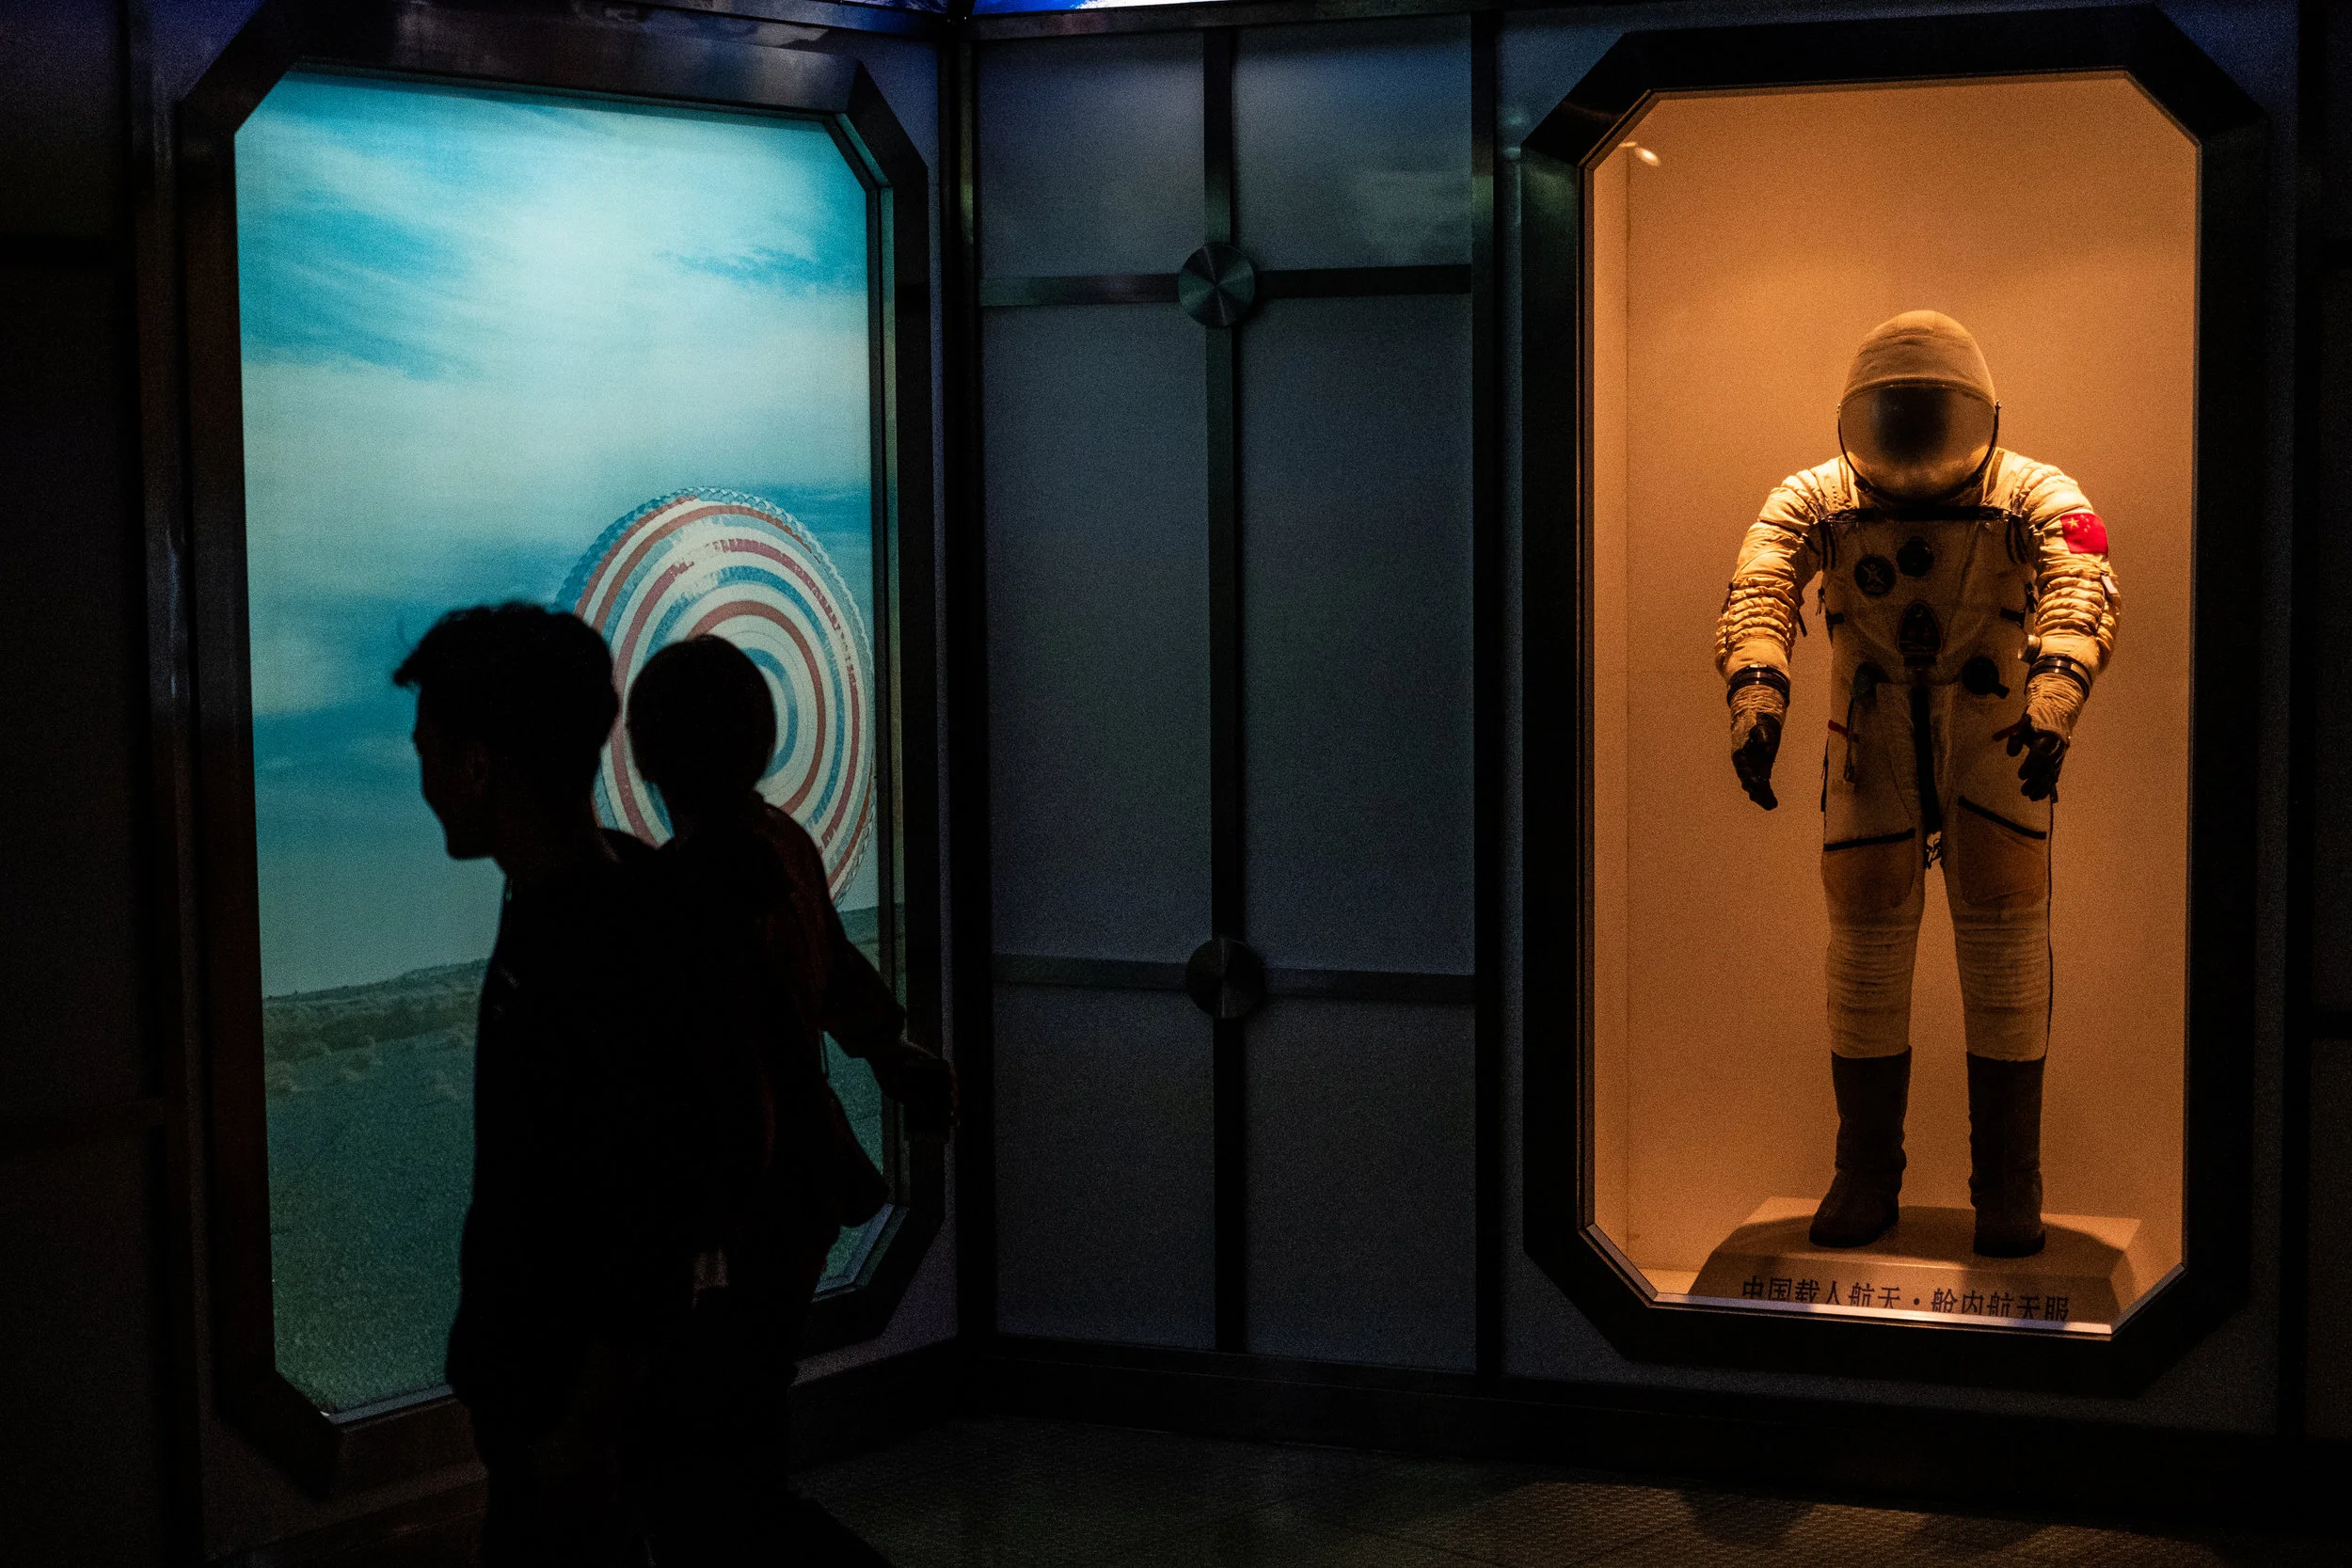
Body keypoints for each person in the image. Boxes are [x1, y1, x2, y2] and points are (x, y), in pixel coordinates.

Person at [1715, 311, 2120, 1259]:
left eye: (1925, 418)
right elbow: (1762, 578)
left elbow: (2080, 568)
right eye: (1890, 421)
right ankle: (1864, 1172)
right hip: (1870, 736)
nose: (1907, 442)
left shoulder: (2029, 489)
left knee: (2005, 933)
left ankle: (2008, 1187)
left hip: (1997, 733)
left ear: (1980, 417)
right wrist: (1757, 684)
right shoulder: (1817, 493)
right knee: (1864, 937)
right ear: (1855, 421)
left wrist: (2057, 685)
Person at [396, 604, 755, 1566]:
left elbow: (649, 1215)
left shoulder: (580, 946)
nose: (423, 779)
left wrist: (584, 1427)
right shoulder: (618, 899)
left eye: (430, 751)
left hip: (568, 1418)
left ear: (478, 765)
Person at [621, 633, 955, 1566]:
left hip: (742, 1211)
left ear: (648, 757)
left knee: (707, 1484)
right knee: (744, 1445)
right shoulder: (783, 843)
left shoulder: (685, 887)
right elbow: (834, 975)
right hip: (800, 1192)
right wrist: (889, 1044)